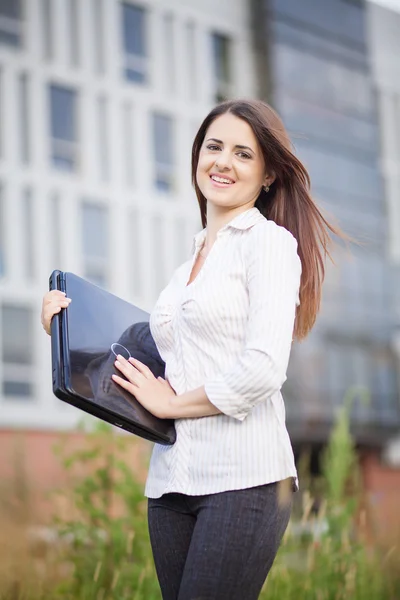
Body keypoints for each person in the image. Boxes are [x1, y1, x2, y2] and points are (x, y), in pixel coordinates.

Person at [41, 99, 340, 599]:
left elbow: (264, 369)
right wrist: (63, 329)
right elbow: (147, 362)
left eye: (244, 154)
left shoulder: (268, 245)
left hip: (245, 480)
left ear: (267, 175)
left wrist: (171, 404)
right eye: (213, 147)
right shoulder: (185, 272)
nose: (223, 162)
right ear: (198, 156)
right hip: (172, 483)